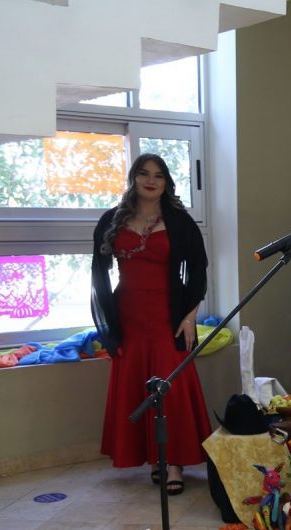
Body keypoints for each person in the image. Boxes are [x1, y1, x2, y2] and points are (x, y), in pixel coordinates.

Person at [91, 154, 211, 495]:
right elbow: (98, 273)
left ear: (166, 182)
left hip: (167, 315)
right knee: (138, 385)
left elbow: (198, 271)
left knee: (169, 386)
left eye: (158, 175)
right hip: (127, 314)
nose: (151, 180)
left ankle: (174, 463)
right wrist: (108, 325)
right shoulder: (112, 219)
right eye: (144, 173)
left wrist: (190, 317)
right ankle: (155, 459)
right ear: (133, 178)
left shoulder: (179, 221)